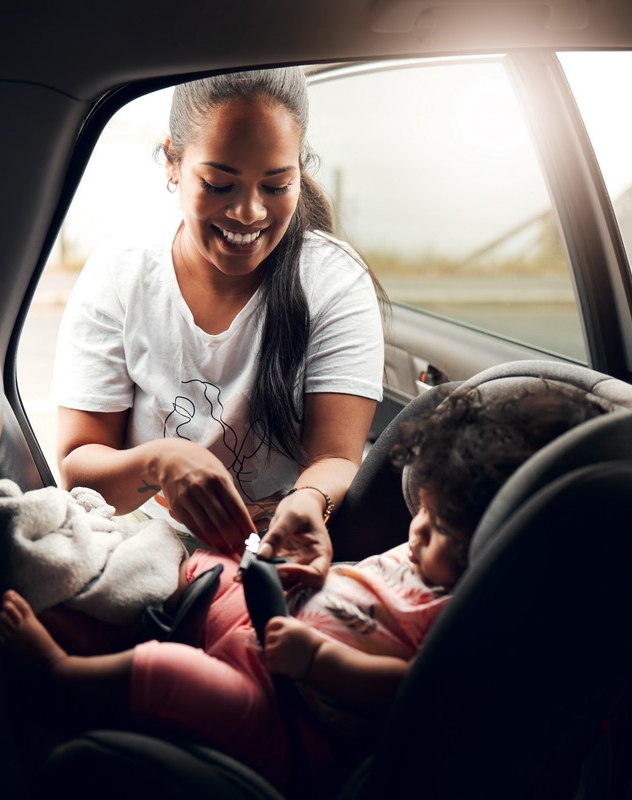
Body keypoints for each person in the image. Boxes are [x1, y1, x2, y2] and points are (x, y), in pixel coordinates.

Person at [0, 382, 605, 789]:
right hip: (266, 628)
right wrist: (311, 576)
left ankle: (60, 672)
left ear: (497, 551)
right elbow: (356, 589)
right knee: (203, 560)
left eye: (443, 529)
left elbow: (402, 686)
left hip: (285, 715)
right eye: (424, 511)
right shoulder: (422, 559)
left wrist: (317, 658)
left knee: (173, 674)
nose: (417, 532)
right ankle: (97, 574)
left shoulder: (461, 614)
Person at [52, 67, 386, 581]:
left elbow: (337, 458)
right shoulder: (122, 275)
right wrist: (160, 461)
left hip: (282, 553)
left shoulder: (333, 280)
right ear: (173, 163)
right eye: (218, 183)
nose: (249, 212)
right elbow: (79, 465)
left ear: (300, 169)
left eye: (277, 185)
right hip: (145, 548)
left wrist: (308, 501)